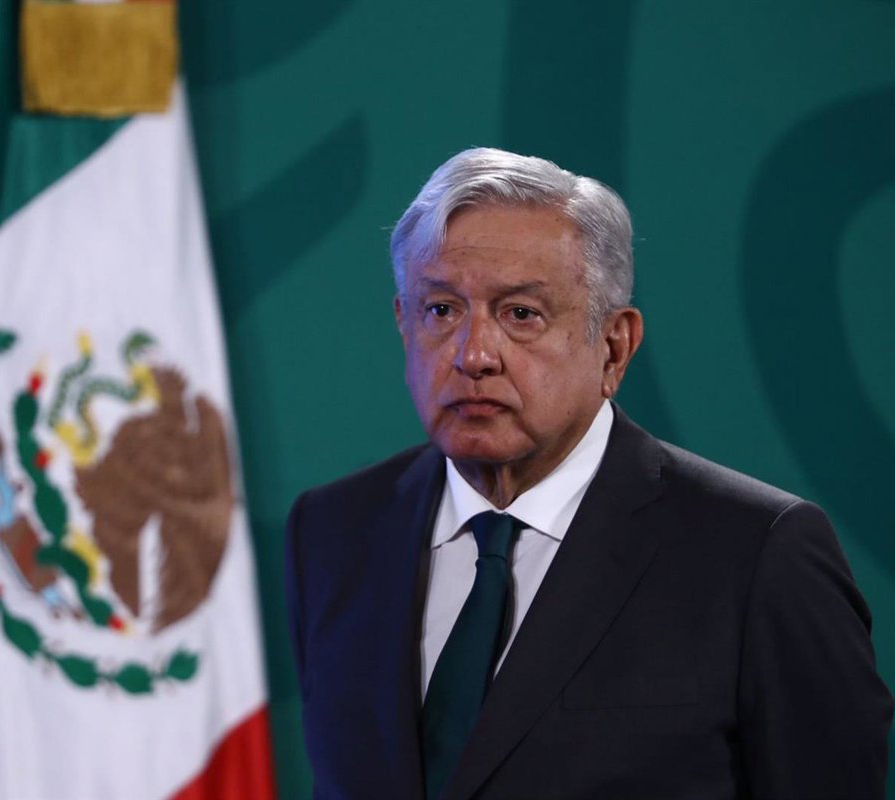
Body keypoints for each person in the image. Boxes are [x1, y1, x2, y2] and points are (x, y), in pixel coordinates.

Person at [284, 147, 893, 800]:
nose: (474, 354)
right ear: (404, 324)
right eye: (441, 310)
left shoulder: (759, 552)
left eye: (521, 313)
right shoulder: (332, 532)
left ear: (614, 346)